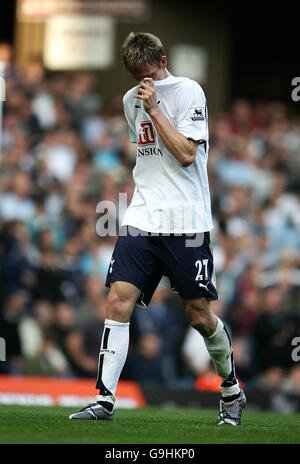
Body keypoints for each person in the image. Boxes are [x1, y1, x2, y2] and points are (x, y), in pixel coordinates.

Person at [69, 32, 246, 425]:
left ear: (163, 60)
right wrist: (144, 106)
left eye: (148, 75)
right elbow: (148, 158)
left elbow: (185, 155)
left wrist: (155, 110)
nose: (143, 84)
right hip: (143, 217)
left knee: (199, 315)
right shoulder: (128, 100)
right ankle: (104, 399)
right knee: (117, 299)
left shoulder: (188, 91)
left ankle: (231, 389)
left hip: (187, 221)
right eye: (136, 78)